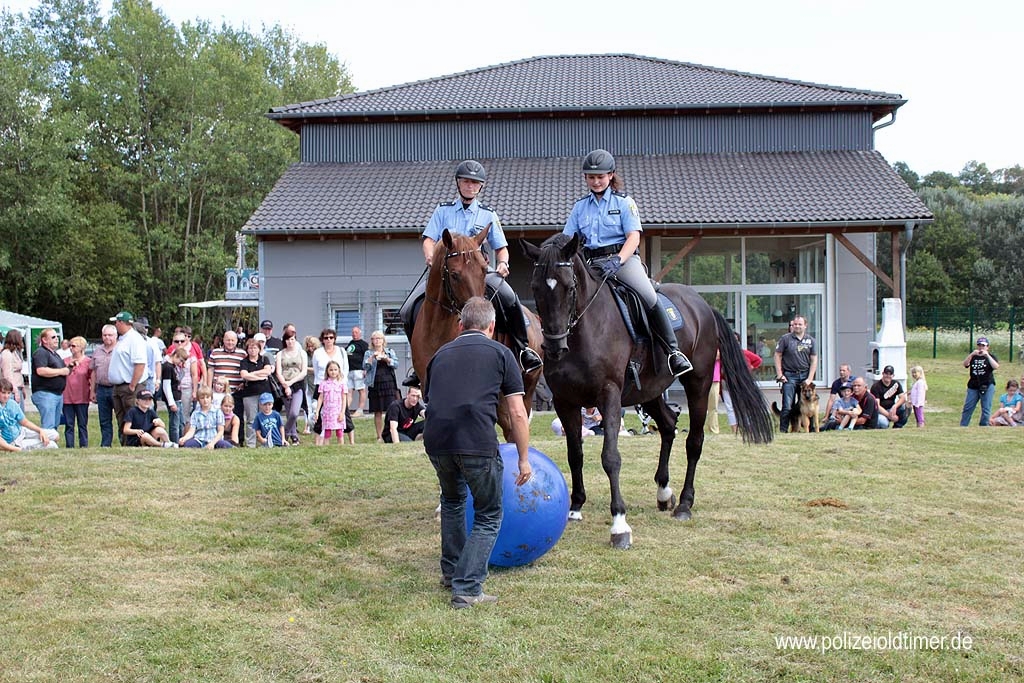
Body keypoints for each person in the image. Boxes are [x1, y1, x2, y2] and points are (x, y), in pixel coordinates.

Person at [424, 297, 532, 608]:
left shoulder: (440, 354)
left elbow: (434, 399)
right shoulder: (502, 353)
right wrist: (523, 458)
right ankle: (468, 587)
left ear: (460, 325)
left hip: (437, 442)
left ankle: (451, 572)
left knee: (453, 502)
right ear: (492, 326)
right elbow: (517, 412)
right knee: (488, 514)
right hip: (476, 443)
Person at [399, 159, 543, 387]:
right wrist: (430, 256)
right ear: (458, 183)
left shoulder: (487, 215)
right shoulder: (443, 210)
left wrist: (503, 262)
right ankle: (419, 365)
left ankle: (524, 350)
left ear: (480, 187)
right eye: (466, 182)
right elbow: (428, 239)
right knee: (408, 309)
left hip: (477, 273)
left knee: (510, 299)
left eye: (475, 183)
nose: (470, 186)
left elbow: (501, 247)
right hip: (447, 272)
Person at [562, 149, 691, 378]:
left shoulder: (624, 203)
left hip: (623, 261)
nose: (596, 181)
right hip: (592, 263)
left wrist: (618, 259)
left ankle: (673, 352)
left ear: (611, 175)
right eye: (591, 177)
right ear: (585, 179)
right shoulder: (579, 207)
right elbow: (567, 239)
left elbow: (634, 237)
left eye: (600, 176)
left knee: (648, 294)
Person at [108, 311, 150, 444]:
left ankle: (136, 444)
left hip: (129, 386)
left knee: (132, 418)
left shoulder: (134, 339)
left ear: (122, 323)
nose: (115, 325)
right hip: (119, 386)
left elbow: (140, 364)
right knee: (122, 419)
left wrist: (132, 385)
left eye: (117, 322)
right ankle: (125, 444)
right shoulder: (123, 339)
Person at [773, 315, 818, 433]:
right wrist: (779, 374)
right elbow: (777, 355)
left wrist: (810, 378)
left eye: (800, 324)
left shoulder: (811, 340)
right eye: (795, 324)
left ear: (805, 325)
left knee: (808, 404)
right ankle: (783, 430)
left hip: (805, 375)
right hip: (789, 376)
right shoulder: (785, 339)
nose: (797, 326)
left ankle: (811, 430)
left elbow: (814, 359)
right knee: (788, 405)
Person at [721, 332, 763, 434]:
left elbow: (758, 360)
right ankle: (734, 430)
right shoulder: (723, 355)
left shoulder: (744, 353)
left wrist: (751, 368)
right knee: (730, 407)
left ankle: (747, 428)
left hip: (742, 384)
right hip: (727, 384)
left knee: (745, 406)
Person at [0, 379, 58, 451]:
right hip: (14, 442)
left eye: (8, 393)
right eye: (3, 393)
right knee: (52, 445)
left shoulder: (12, 403)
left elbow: (24, 422)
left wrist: (40, 430)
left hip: (21, 431)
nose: (6, 396)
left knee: (55, 435)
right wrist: (16, 449)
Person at [363, 330, 399, 442]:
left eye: (379, 338)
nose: (377, 340)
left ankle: (389, 433)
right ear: (372, 341)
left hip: (388, 383)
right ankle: (379, 436)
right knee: (377, 410)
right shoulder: (368, 353)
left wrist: (386, 359)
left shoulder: (389, 351)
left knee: (391, 409)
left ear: (383, 340)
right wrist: (372, 358)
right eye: (375, 338)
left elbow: (396, 364)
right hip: (375, 383)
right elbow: (365, 367)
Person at [238, 337, 274, 447]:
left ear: (259, 349)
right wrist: (259, 376)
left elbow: (267, 371)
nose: (252, 350)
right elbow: (244, 375)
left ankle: (267, 441)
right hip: (249, 393)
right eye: (250, 348)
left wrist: (252, 374)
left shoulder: (264, 359)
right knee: (251, 419)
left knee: (266, 417)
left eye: (255, 348)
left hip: (264, 392)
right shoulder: (244, 362)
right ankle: (251, 443)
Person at [311, 329, 347, 440]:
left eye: (331, 337)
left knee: (343, 417)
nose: (329, 340)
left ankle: (349, 441)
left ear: (334, 339)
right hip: (322, 386)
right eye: (326, 338)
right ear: (322, 340)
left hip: (339, 387)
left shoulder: (341, 351)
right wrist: (322, 382)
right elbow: (316, 371)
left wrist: (341, 383)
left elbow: (345, 369)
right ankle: (318, 442)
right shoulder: (318, 353)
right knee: (320, 416)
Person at [31, 327, 68, 431]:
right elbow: (41, 370)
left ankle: (52, 445)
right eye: (53, 337)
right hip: (45, 393)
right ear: (44, 340)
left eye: (57, 337)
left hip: (57, 394)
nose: (56, 339)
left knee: (54, 425)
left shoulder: (55, 354)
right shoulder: (41, 352)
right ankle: (46, 446)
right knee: (48, 426)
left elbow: (63, 370)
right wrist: (61, 371)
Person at [207, 330, 246, 429]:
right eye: (228, 340)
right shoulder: (215, 353)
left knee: (237, 416)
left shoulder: (242, 354)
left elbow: (246, 370)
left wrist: (244, 383)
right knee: (217, 416)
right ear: (223, 340)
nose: (230, 342)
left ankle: (238, 440)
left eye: (233, 340)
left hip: (236, 391)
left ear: (237, 341)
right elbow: (210, 371)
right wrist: (208, 388)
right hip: (219, 392)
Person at [275, 331, 308, 445]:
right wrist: (285, 384)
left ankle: (283, 433)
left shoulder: (302, 353)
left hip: (297, 384)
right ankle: (294, 437)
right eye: (288, 339)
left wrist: (291, 383)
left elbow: (303, 372)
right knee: (289, 412)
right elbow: (278, 372)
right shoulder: (280, 354)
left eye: (292, 339)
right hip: (284, 384)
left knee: (294, 412)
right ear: (284, 341)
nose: (290, 342)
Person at [89, 324, 118, 447]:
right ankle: (106, 444)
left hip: (116, 388)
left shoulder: (120, 349)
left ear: (116, 336)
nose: (107, 337)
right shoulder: (97, 351)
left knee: (121, 418)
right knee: (104, 419)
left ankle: (125, 442)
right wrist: (92, 391)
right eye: (105, 335)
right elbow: (93, 371)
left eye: (110, 335)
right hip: (101, 388)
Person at [959, 337, 999, 427]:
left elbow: (996, 366)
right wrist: (972, 354)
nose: (981, 347)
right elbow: (965, 364)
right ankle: (963, 425)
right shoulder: (973, 356)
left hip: (987, 385)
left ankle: (984, 426)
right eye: (979, 345)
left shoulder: (991, 357)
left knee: (986, 408)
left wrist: (987, 355)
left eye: (983, 346)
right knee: (968, 407)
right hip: (973, 385)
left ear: (987, 347)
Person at [61, 336, 92, 448]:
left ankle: (84, 445)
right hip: (67, 396)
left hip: (82, 396)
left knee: (82, 424)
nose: (71, 348)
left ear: (81, 347)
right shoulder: (64, 361)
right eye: (70, 346)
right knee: (69, 424)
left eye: (73, 346)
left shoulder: (88, 362)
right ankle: (70, 446)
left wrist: (93, 393)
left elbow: (92, 378)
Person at [161, 345, 194, 444]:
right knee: (174, 423)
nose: (181, 363)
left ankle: (180, 440)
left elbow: (179, 378)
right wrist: (171, 403)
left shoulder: (175, 367)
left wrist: (182, 368)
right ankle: (174, 442)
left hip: (178, 397)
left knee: (181, 422)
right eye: (180, 360)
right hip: (173, 398)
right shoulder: (167, 367)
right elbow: (166, 386)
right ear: (175, 356)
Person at [315, 360, 347, 445]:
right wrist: (317, 411)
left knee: (339, 431)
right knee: (327, 431)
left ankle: (341, 446)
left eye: (335, 370)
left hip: (338, 411)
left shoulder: (341, 383)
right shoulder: (323, 383)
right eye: (331, 370)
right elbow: (320, 398)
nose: (333, 372)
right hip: (327, 411)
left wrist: (342, 412)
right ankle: (327, 446)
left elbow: (344, 398)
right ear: (327, 371)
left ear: (339, 371)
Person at [345, 326, 369, 415]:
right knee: (349, 391)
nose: (354, 334)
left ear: (360, 333)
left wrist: (366, 369)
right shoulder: (350, 343)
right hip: (349, 371)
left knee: (361, 390)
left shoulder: (363, 344)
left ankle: (360, 410)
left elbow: (367, 357)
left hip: (359, 371)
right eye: (353, 332)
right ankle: (345, 410)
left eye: (356, 332)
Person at [0, 329, 26, 410]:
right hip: (12, 390)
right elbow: (7, 375)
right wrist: (15, 391)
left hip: (19, 386)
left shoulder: (15, 353)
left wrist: (23, 387)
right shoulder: (6, 354)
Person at [303, 336, 321, 434]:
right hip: (307, 382)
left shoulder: (319, 354)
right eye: (309, 346)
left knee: (316, 405)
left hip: (317, 383)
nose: (310, 349)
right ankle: (307, 426)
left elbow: (318, 370)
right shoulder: (305, 354)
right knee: (308, 406)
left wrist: (306, 368)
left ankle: (317, 424)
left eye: (312, 347)